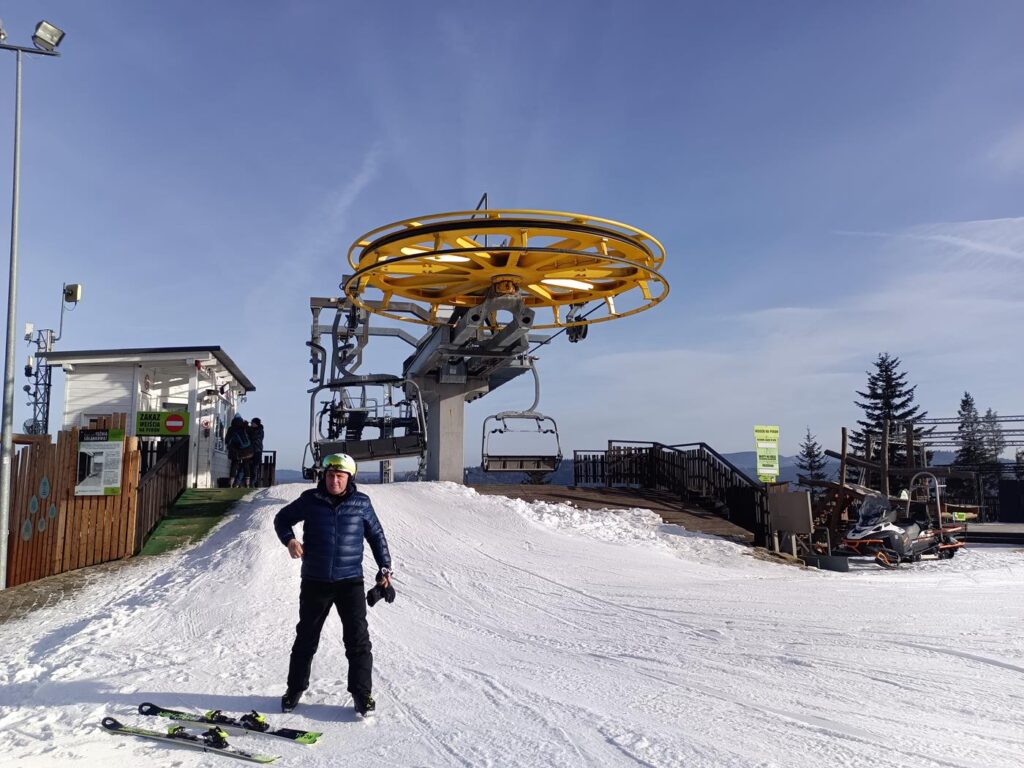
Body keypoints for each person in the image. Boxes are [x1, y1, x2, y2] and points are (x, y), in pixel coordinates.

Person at [273, 453, 393, 716]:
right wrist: (290, 541)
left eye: (340, 476)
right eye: (330, 475)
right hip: (315, 581)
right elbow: (281, 519)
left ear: (349, 478)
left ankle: (362, 695)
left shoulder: (362, 503)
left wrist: (385, 566)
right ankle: (294, 690)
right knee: (306, 638)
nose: (334, 480)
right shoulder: (310, 500)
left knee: (358, 640)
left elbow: (376, 535)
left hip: (350, 582)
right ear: (324, 476)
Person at [225, 415, 254, 487]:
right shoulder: (245, 426)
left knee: (234, 465)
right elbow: (252, 437)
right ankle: (247, 484)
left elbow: (227, 440)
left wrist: (229, 446)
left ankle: (231, 483)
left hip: (234, 450)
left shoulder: (231, 429)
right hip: (245, 450)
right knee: (246, 465)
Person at [249, 417, 265, 486]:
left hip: (256, 450)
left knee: (255, 467)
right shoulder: (256, 430)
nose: (251, 424)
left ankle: (253, 482)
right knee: (252, 467)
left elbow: (254, 438)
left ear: (256, 424)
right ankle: (252, 482)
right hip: (254, 450)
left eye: (252, 423)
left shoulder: (259, 431)